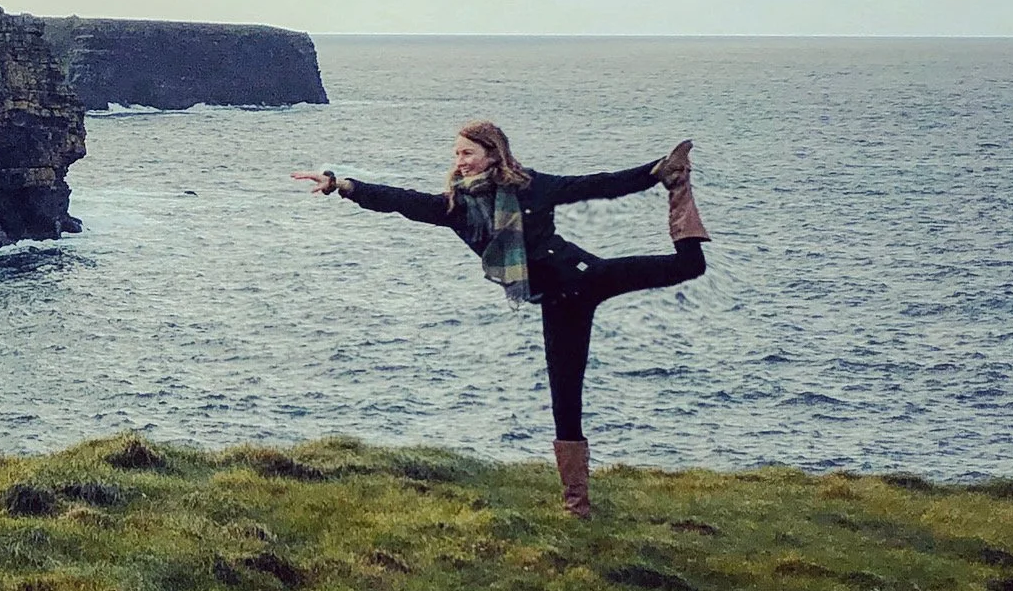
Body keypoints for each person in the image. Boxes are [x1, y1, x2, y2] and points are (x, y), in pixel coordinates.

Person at [294, 121, 709, 517]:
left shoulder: (532, 187)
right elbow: (403, 201)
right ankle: (577, 505)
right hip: (557, 303)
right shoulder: (457, 206)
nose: (460, 161)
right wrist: (343, 185)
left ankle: (676, 182)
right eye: (456, 153)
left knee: (690, 266)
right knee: (565, 402)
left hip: (588, 276)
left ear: (493, 154)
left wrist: (653, 172)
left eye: (468, 152)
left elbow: (595, 185)